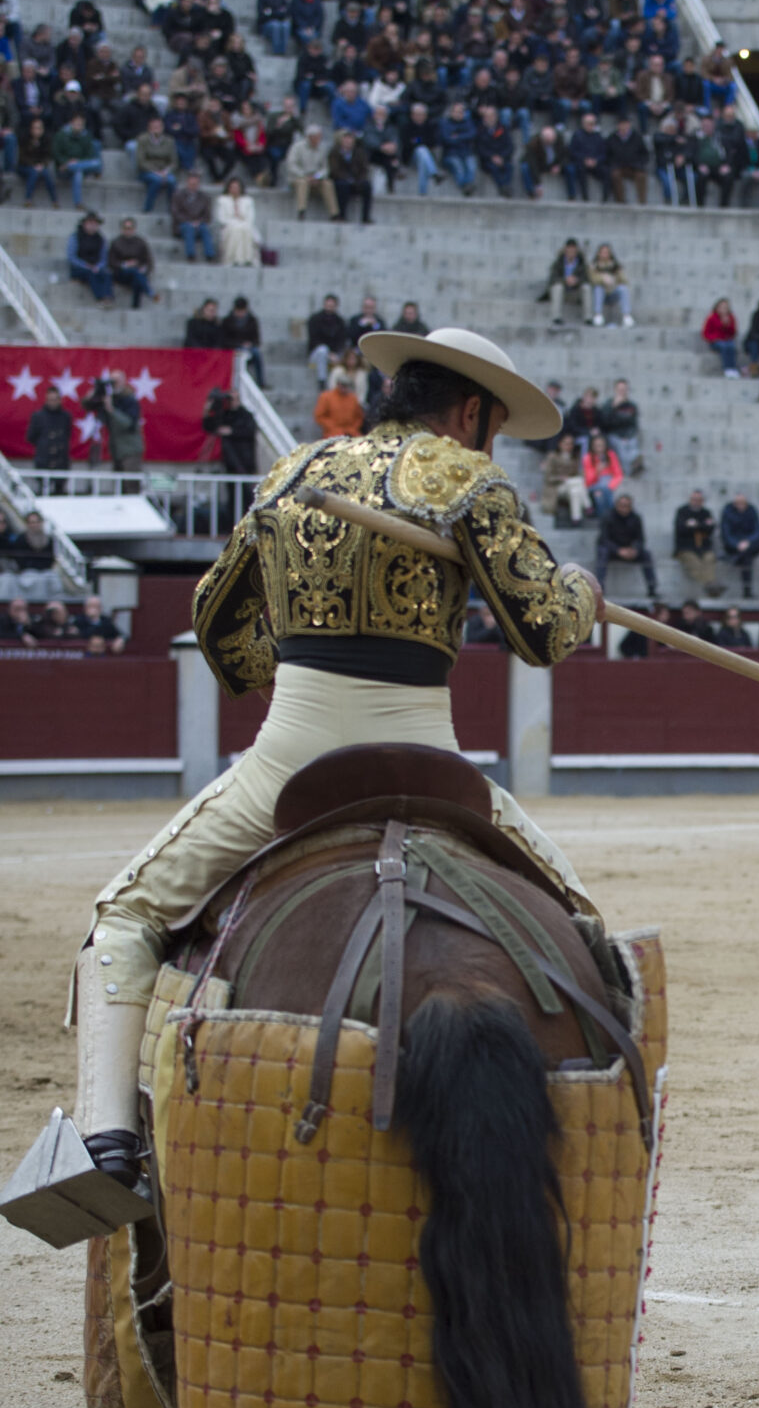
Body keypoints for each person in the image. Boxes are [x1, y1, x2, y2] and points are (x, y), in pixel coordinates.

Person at [68, 327, 599, 1197]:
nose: (489, 442)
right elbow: (541, 630)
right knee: (579, 927)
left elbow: (217, 624)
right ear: (469, 412)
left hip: (293, 762)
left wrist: (291, 651)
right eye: (493, 426)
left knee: (125, 916)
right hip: (430, 764)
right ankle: (606, 1128)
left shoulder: (294, 472)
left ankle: (107, 1149)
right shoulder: (467, 480)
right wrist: (581, 589)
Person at [594, 491, 659, 600]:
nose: (624, 509)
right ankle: (600, 588)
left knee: (646, 555)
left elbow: (640, 539)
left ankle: (652, 588)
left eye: (627, 506)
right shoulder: (608, 516)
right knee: (602, 552)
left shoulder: (636, 518)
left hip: (629, 550)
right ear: (616, 505)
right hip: (612, 550)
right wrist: (618, 550)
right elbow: (604, 539)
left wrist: (635, 549)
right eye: (622, 506)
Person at [672, 489, 723, 594]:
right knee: (693, 561)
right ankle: (710, 585)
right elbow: (681, 529)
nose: (696, 502)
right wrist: (701, 526)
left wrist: (695, 525)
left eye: (699, 500)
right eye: (694, 499)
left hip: (703, 548)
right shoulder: (682, 511)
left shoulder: (706, 512)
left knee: (709, 558)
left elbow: (711, 528)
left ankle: (710, 585)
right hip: (685, 547)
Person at [720, 491, 759, 595]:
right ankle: (747, 592)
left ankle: (736, 558)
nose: (740, 505)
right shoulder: (728, 511)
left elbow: (758, 531)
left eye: (743, 503)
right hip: (733, 545)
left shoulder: (752, 510)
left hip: (748, 544)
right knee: (747, 558)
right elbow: (726, 533)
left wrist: (747, 542)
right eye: (738, 503)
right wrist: (737, 544)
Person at [703, 296, 740, 375]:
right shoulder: (712, 318)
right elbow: (706, 333)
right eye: (721, 307)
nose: (723, 309)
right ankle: (727, 369)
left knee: (731, 347)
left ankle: (733, 368)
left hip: (727, 340)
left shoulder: (731, 318)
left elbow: (733, 333)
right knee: (724, 347)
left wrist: (727, 325)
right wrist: (714, 338)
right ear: (717, 308)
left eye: (725, 307)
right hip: (716, 341)